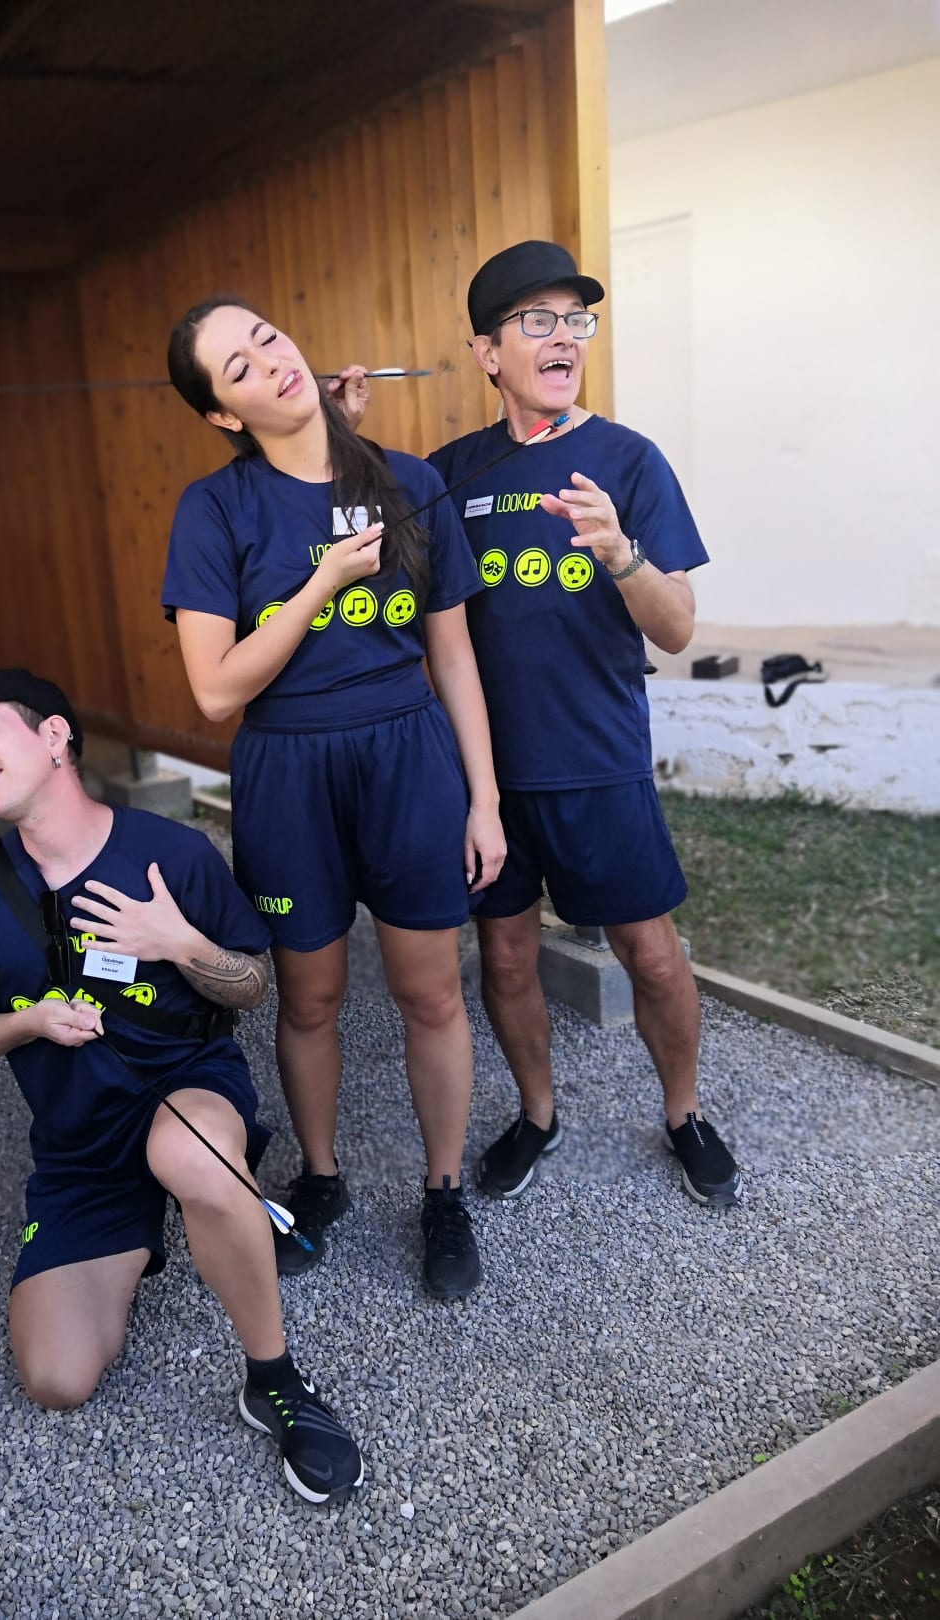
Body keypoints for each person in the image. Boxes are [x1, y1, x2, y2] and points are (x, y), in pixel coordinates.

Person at [0, 667, 363, 1503]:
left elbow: (252, 986)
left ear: (53, 737)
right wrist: (25, 1024)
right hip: (81, 1147)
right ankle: (184, 1215)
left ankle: (274, 1380)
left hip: (187, 1089)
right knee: (56, 1378)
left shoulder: (169, 853)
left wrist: (179, 942)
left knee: (189, 1157)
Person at [355, 239, 741, 1209]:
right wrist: (335, 425)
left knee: (649, 952)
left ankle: (684, 1112)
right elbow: (366, 538)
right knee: (505, 956)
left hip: (598, 762)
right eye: (537, 320)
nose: (563, 336)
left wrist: (620, 553)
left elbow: (677, 628)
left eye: (576, 320)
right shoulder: (449, 474)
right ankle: (537, 1115)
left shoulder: (628, 460)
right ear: (489, 353)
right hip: (486, 779)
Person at [162, 298, 507, 1300]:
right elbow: (215, 689)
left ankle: (443, 1191)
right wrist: (318, 584)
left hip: (408, 755)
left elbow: (453, 654)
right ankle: (321, 1177)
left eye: (266, 337)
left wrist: (484, 799)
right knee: (309, 998)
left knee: (431, 992)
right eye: (236, 367)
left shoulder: (409, 482)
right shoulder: (215, 509)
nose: (268, 360)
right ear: (223, 414)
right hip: (288, 766)